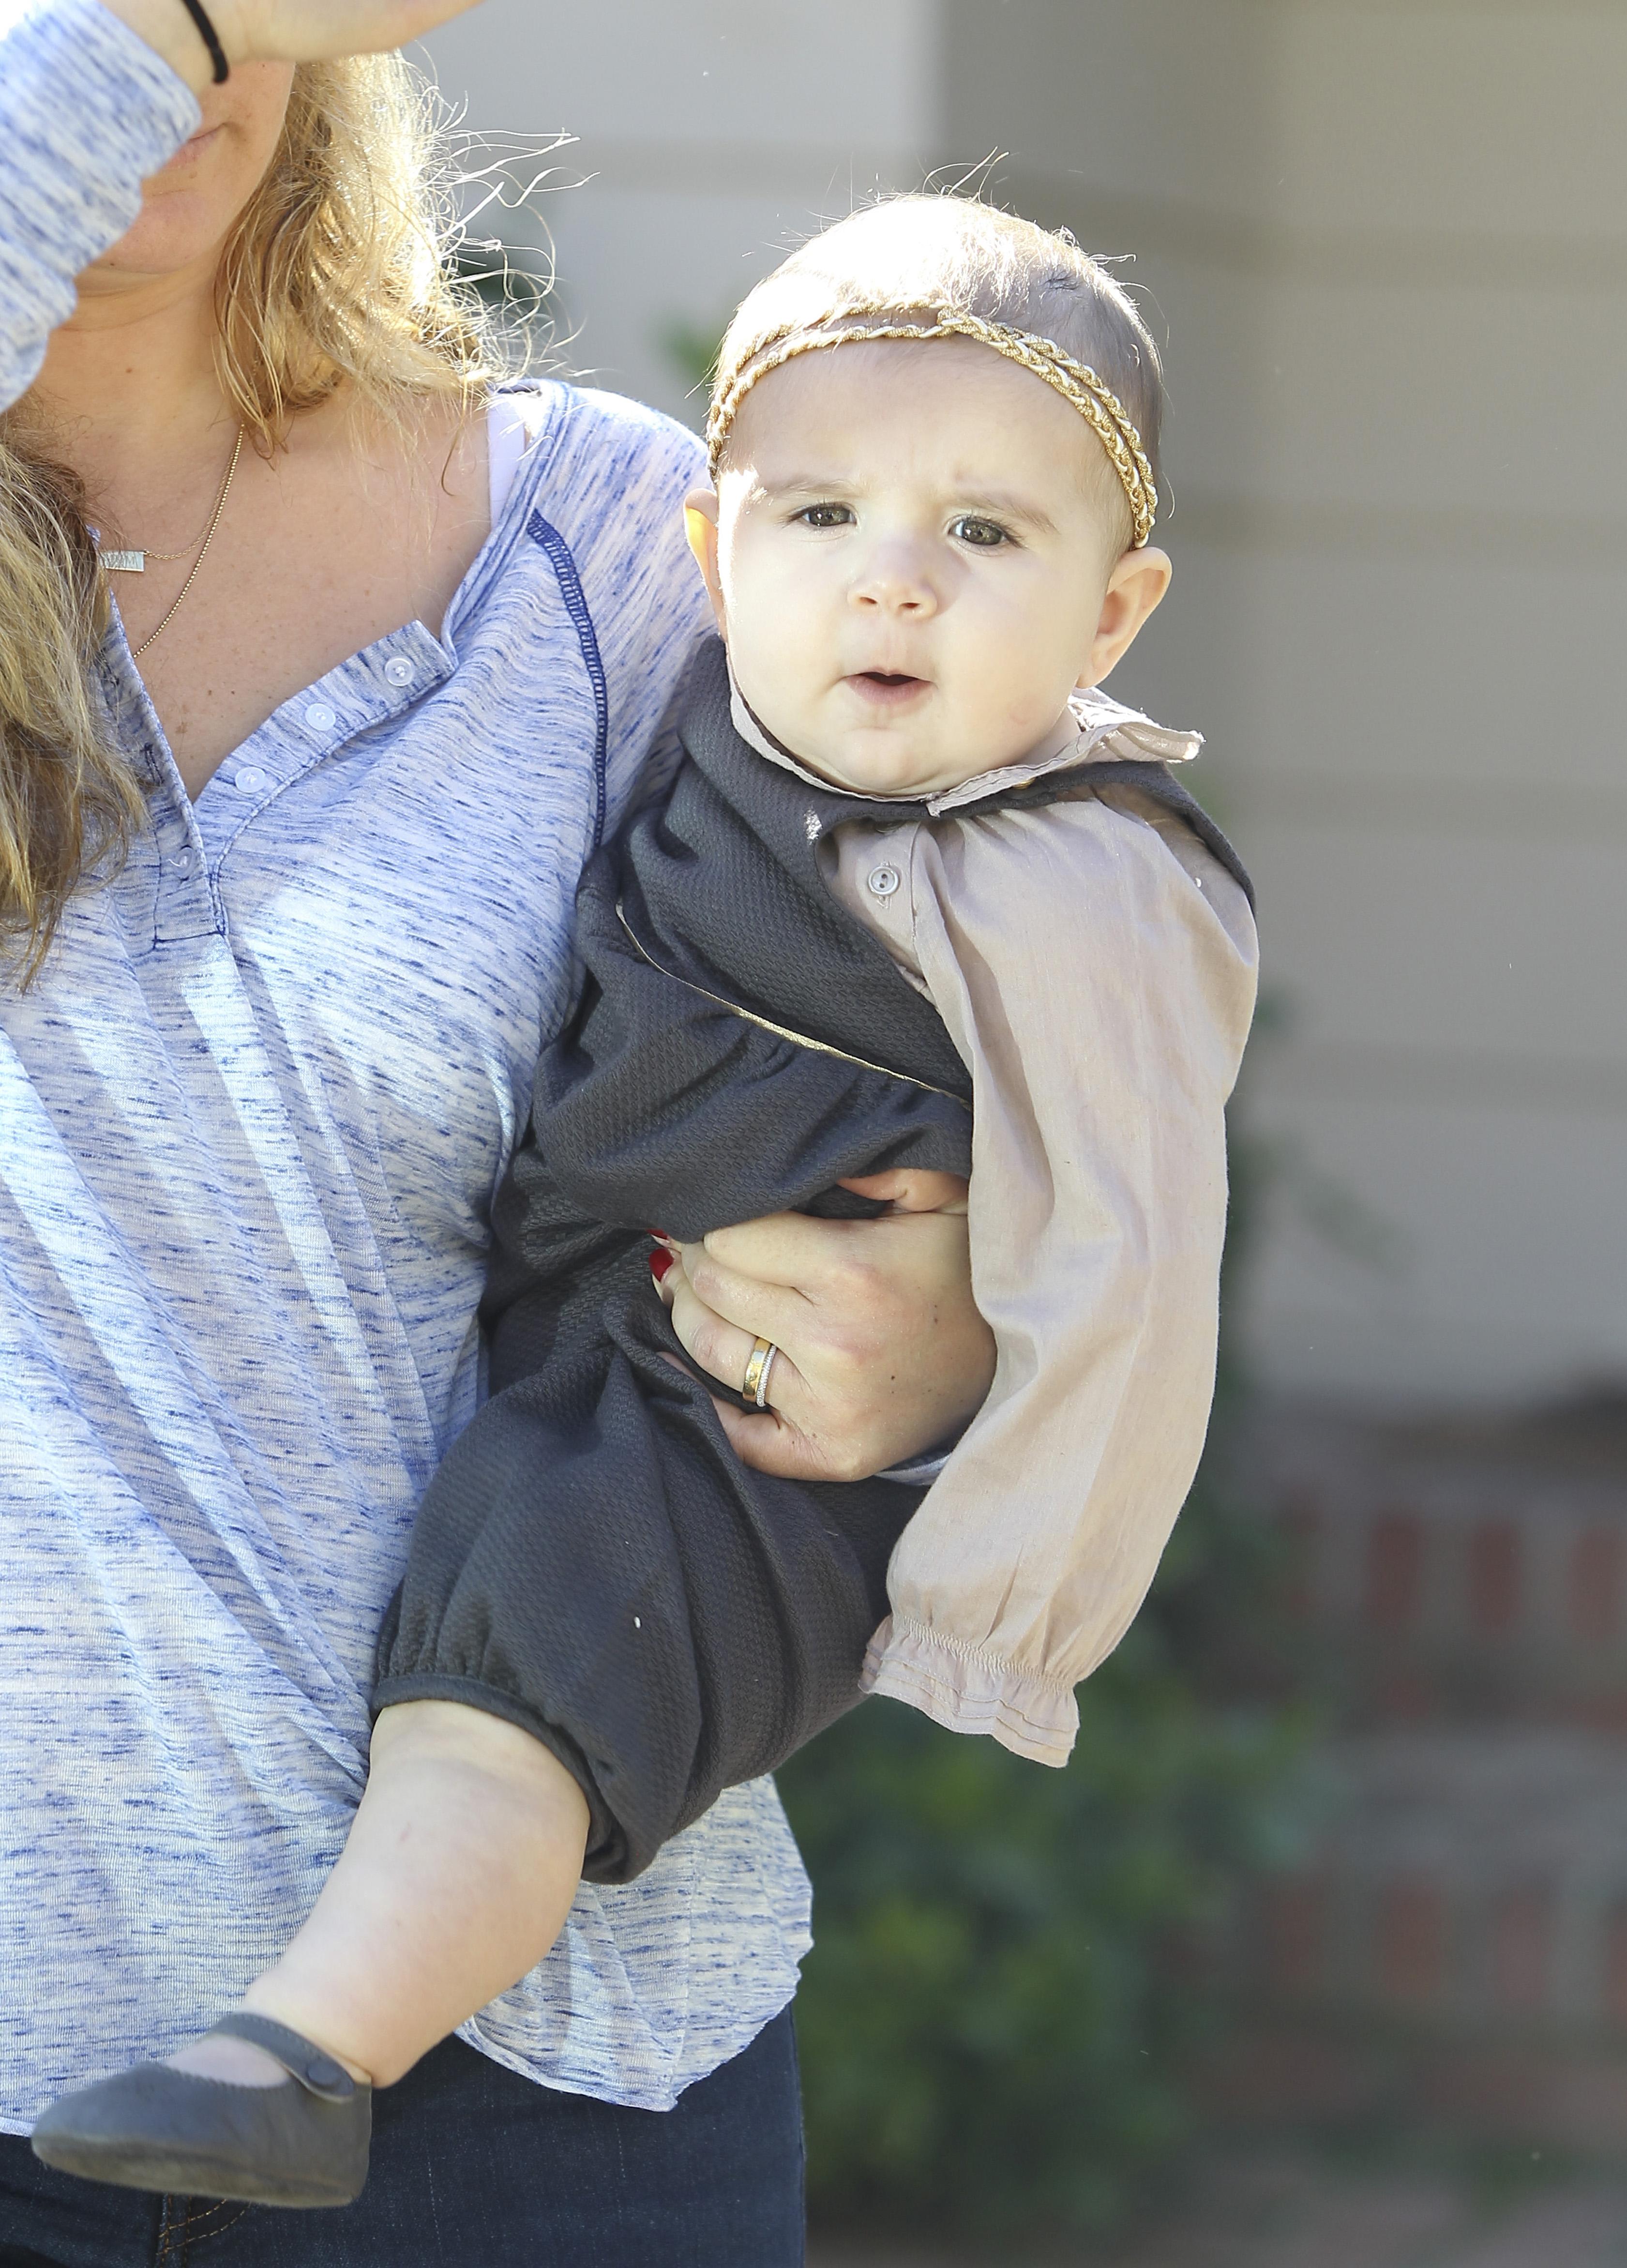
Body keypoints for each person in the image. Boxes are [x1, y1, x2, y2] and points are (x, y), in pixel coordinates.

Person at [32, 193, 1259, 2212]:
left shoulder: (1068, 861)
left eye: (983, 535)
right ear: (719, 551)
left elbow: (1129, 1253)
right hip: (590, 1343)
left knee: (517, 1677)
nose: (892, 587)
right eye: (819, 521)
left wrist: (997, 1590)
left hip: (708, 1421)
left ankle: (308, 2046)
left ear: (1112, 614)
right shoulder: (732, 711)